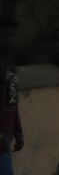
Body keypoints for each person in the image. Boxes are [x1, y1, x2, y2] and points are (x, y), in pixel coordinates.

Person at [0, 17, 23, 175]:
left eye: (11, 36)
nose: (9, 40)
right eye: (4, 35)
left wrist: (18, 131)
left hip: (6, 136)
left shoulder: (10, 64)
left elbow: (12, 100)